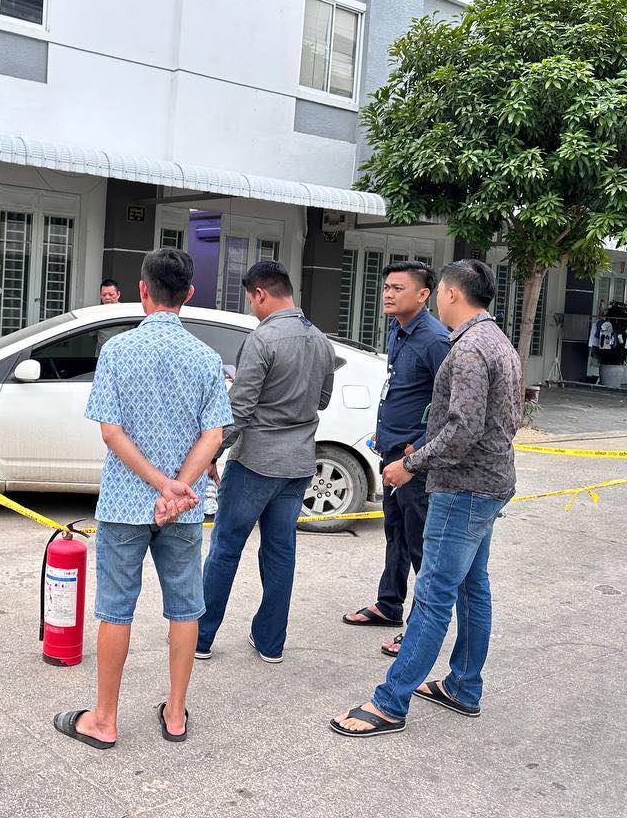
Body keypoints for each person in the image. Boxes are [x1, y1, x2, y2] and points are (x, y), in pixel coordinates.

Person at [331, 259, 522, 736]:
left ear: (451, 294)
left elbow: (462, 429)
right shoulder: (495, 340)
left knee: (434, 596)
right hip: (488, 484)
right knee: (472, 588)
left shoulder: (469, 348)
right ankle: (463, 686)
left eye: (439, 292)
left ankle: (389, 703)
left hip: (463, 488)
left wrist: (411, 463)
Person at [54, 248, 231, 748]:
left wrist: (158, 484)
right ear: (189, 293)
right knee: (185, 608)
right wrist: (178, 487)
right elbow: (214, 435)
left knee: (116, 609)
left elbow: (111, 432)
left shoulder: (117, 350)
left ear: (142, 290)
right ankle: (174, 713)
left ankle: (104, 719)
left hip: (124, 504)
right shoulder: (206, 358)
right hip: (183, 508)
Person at [196, 261, 335, 663]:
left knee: (226, 548)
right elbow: (322, 400)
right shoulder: (321, 340)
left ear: (260, 293)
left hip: (256, 462)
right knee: (280, 552)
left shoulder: (262, 339)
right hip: (298, 463)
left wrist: (211, 453)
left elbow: (239, 410)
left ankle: (200, 638)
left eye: (250, 299)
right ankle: (271, 642)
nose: (252, 308)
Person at [342, 261, 450, 658]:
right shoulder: (398, 330)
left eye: (398, 288)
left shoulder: (435, 340)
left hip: (415, 462)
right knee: (396, 534)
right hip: (392, 451)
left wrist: (415, 450)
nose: (388, 294)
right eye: (386, 287)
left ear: (423, 295)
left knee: (420, 544)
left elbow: (448, 405)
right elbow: (401, 390)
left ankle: (420, 630)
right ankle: (389, 604)